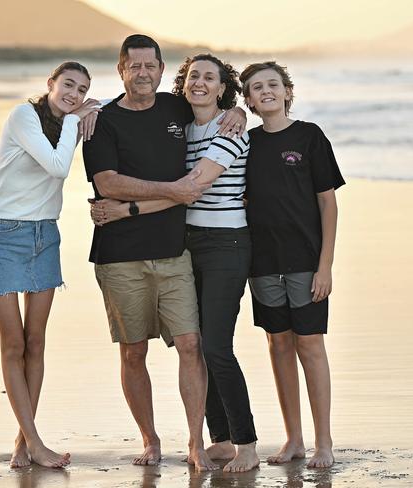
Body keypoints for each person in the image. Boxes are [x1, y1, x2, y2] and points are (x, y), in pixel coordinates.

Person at [82, 35, 246, 472]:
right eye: (133, 66)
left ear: (160, 69)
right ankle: (151, 439)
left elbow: (213, 104)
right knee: (134, 352)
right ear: (121, 70)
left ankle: (196, 443)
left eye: (149, 66)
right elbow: (108, 183)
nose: (142, 73)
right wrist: (174, 190)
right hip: (119, 257)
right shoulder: (102, 121)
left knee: (191, 345)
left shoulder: (176, 109)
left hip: (176, 253)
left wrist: (238, 110)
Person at [0, 61, 100, 469]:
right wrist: (76, 120)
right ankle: (35, 441)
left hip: (44, 236)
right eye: (68, 85)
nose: (74, 94)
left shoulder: (71, 121)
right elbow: (58, 166)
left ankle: (22, 441)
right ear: (51, 84)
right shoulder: (23, 116)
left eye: (82, 90)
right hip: (5, 235)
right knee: (13, 344)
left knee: (36, 341)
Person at [240, 61, 345, 469]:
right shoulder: (245, 144)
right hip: (263, 264)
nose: (265, 91)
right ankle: (294, 440)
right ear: (248, 99)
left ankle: (324, 442)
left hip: (306, 263)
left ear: (286, 91)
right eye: (256, 88)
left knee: (310, 345)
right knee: (278, 344)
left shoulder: (309, 136)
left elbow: (328, 203)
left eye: (272, 84)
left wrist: (326, 266)